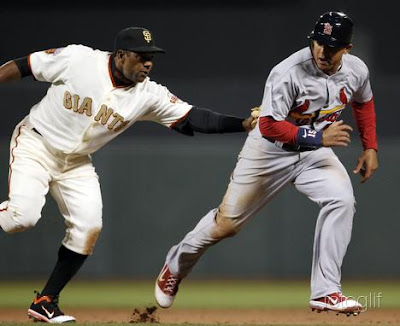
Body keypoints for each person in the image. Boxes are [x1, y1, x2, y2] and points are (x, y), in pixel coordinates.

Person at [0, 27, 259, 323]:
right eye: (142, 57)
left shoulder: (148, 94)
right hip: (36, 144)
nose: (148, 63)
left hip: (76, 164)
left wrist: (243, 124)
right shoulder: (80, 59)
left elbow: (194, 117)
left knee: (88, 228)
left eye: (151, 58)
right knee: (22, 218)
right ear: (121, 56)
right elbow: (24, 66)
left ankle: (46, 301)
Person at [155, 11, 378, 316]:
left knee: (341, 200)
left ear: (347, 49)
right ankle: (175, 265)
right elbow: (268, 126)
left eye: (331, 46)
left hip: (313, 152)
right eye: (318, 43)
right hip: (269, 152)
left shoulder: (356, 70)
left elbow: (363, 101)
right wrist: (317, 138)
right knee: (226, 225)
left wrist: (371, 147)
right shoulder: (288, 71)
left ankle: (326, 292)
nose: (322, 51)